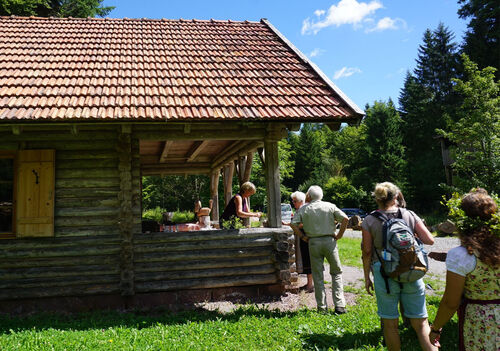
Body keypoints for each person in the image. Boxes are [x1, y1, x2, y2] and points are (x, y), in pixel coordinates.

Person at [361, 182, 437, 351]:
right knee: (421, 323)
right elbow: (430, 240)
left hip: (384, 274)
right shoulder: (409, 214)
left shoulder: (369, 220)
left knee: (390, 324)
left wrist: (367, 277)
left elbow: (366, 251)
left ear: (377, 199)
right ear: (396, 197)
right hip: (412, 270)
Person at [428, 188, 499, 350]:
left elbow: (450, 302)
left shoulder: (462, 255)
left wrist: (436, 328)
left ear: (463, 220)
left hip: (481, 323)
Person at [291, 185, 349, 313]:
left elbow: (293, 223)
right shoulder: (330, 206)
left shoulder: (304, 208)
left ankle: (322, 307)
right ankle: (340, 305)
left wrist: (302, 236)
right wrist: (339, 235)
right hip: (330, 241)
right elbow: (345, 218)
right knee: (336, 273)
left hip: (313, 242)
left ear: (309, 196)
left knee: (317, 275)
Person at [285, 191, 313, 293]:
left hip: (305, 237)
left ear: (301, 201)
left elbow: (304, 223)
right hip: (302, 237)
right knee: (305, 260)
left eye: (295, 201)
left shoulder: (304, 209)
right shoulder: (300, 209)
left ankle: (310, 286)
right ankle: (309, 284)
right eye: (293, 200)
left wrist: (291, 224)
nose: (293, 202)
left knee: (308, 260)